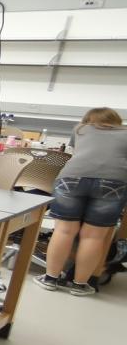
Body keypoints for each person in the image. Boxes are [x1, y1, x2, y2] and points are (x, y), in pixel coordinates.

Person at [36, 107, 127, 296]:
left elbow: (78, 152)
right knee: (93, 236)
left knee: (64, 230)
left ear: (87, 120)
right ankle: (80, 285)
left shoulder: (80, 129)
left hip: (72, 178)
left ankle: (50, 278)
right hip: (114, 182)